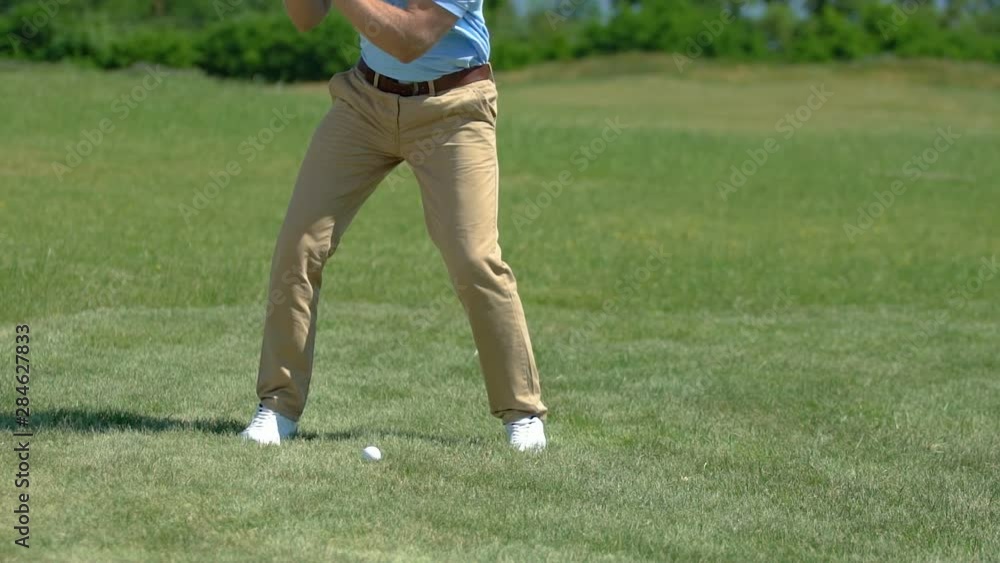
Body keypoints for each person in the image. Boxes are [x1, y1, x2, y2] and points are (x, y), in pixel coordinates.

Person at [239, 0, 548, 450]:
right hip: (364, 103)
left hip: (454, 109)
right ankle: (277, 406)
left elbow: (410, 39)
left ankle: (522, 412)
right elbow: (305, 20)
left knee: (473, 258)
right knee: (298, 246)